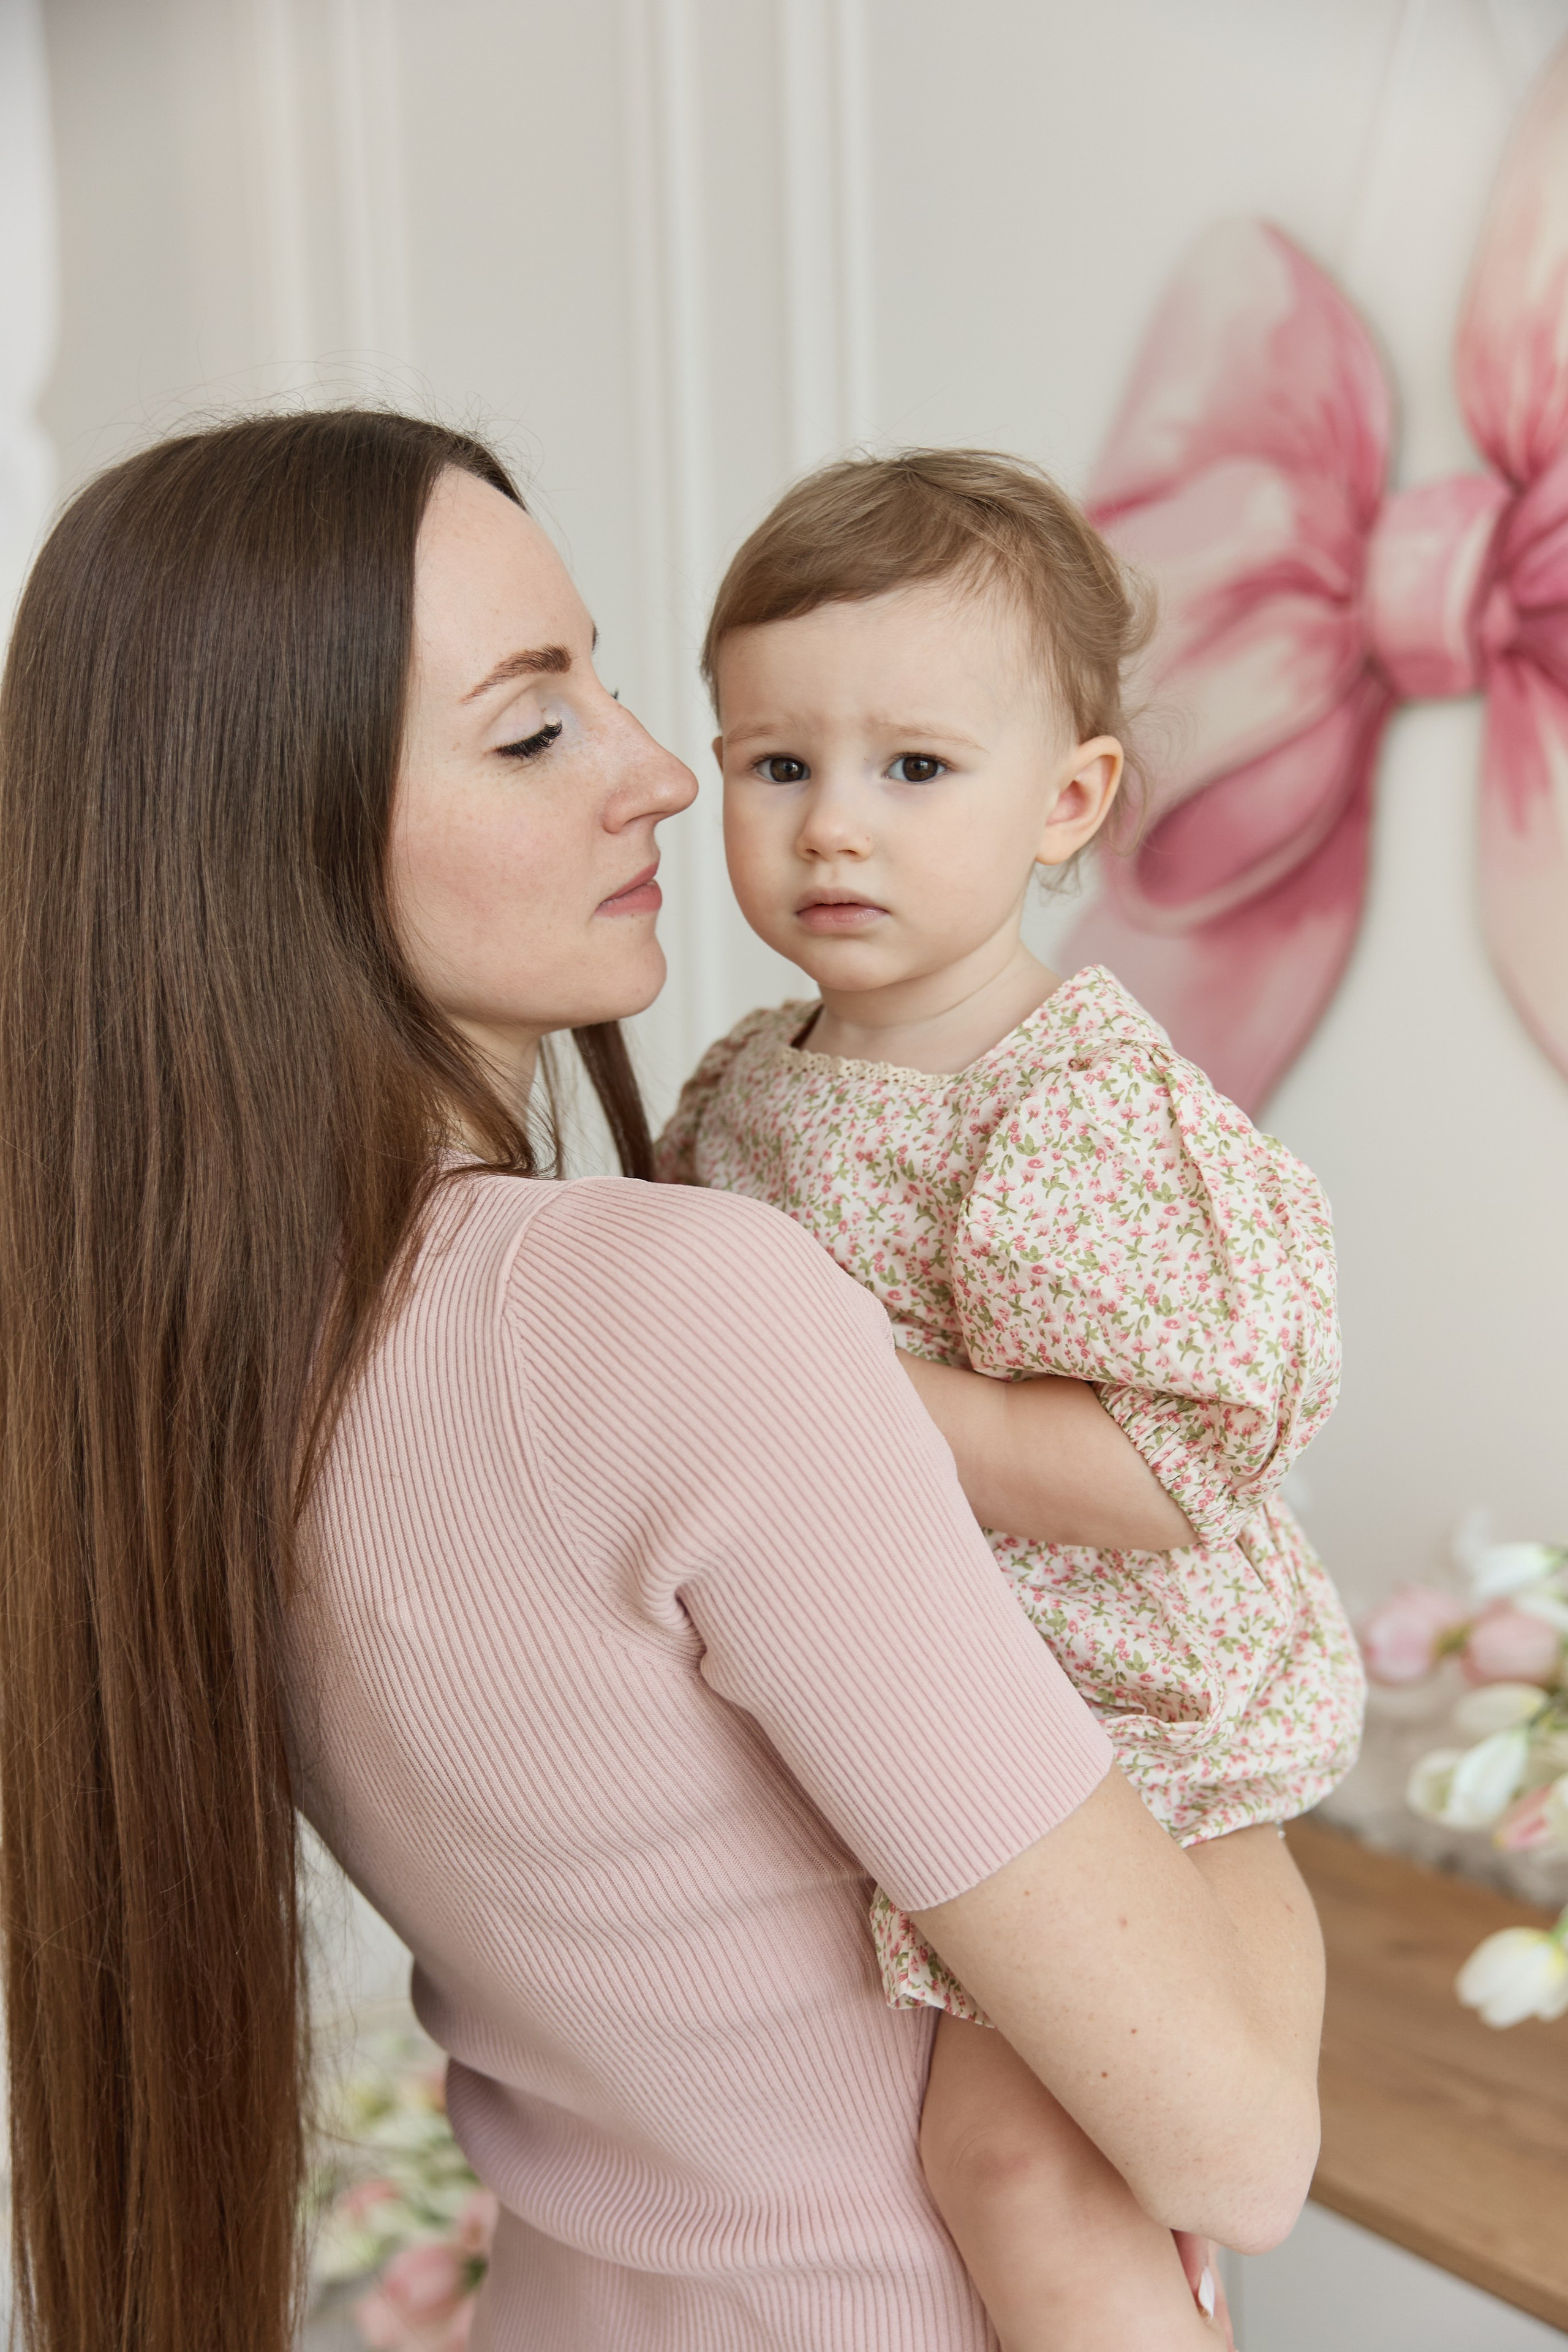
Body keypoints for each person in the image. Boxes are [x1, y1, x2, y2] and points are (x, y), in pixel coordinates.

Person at [0, 412, 1321, 2352]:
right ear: (264, 821)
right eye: (538, 728)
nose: (660, 778)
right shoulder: (678, 1304)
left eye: (616, 692)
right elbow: (1229, 2144)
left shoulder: (155, 1369)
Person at [657, 448, 1365, 2350]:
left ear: (1068, 803)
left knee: (1021, 2173)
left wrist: (837, 1393)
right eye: (776, 765)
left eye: (914, 769)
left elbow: (1159, 1467)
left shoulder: (1068, 1104)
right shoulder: (743, 1083)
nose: (834, 833)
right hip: (918, 1721)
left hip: (1136, 1730)